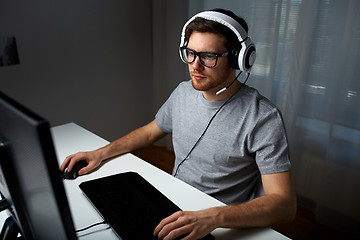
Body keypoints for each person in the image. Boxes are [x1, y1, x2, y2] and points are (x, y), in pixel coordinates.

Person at [61, 8, 296, 240]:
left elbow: (285, 205)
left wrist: (213, 217)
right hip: (170, 203)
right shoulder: (183, 92)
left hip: (216, 222)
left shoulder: (263, 117)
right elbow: (150, 131)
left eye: (208, 56)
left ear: (237, 59)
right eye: (190, 53)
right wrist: (100, 154)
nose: (195, 65)